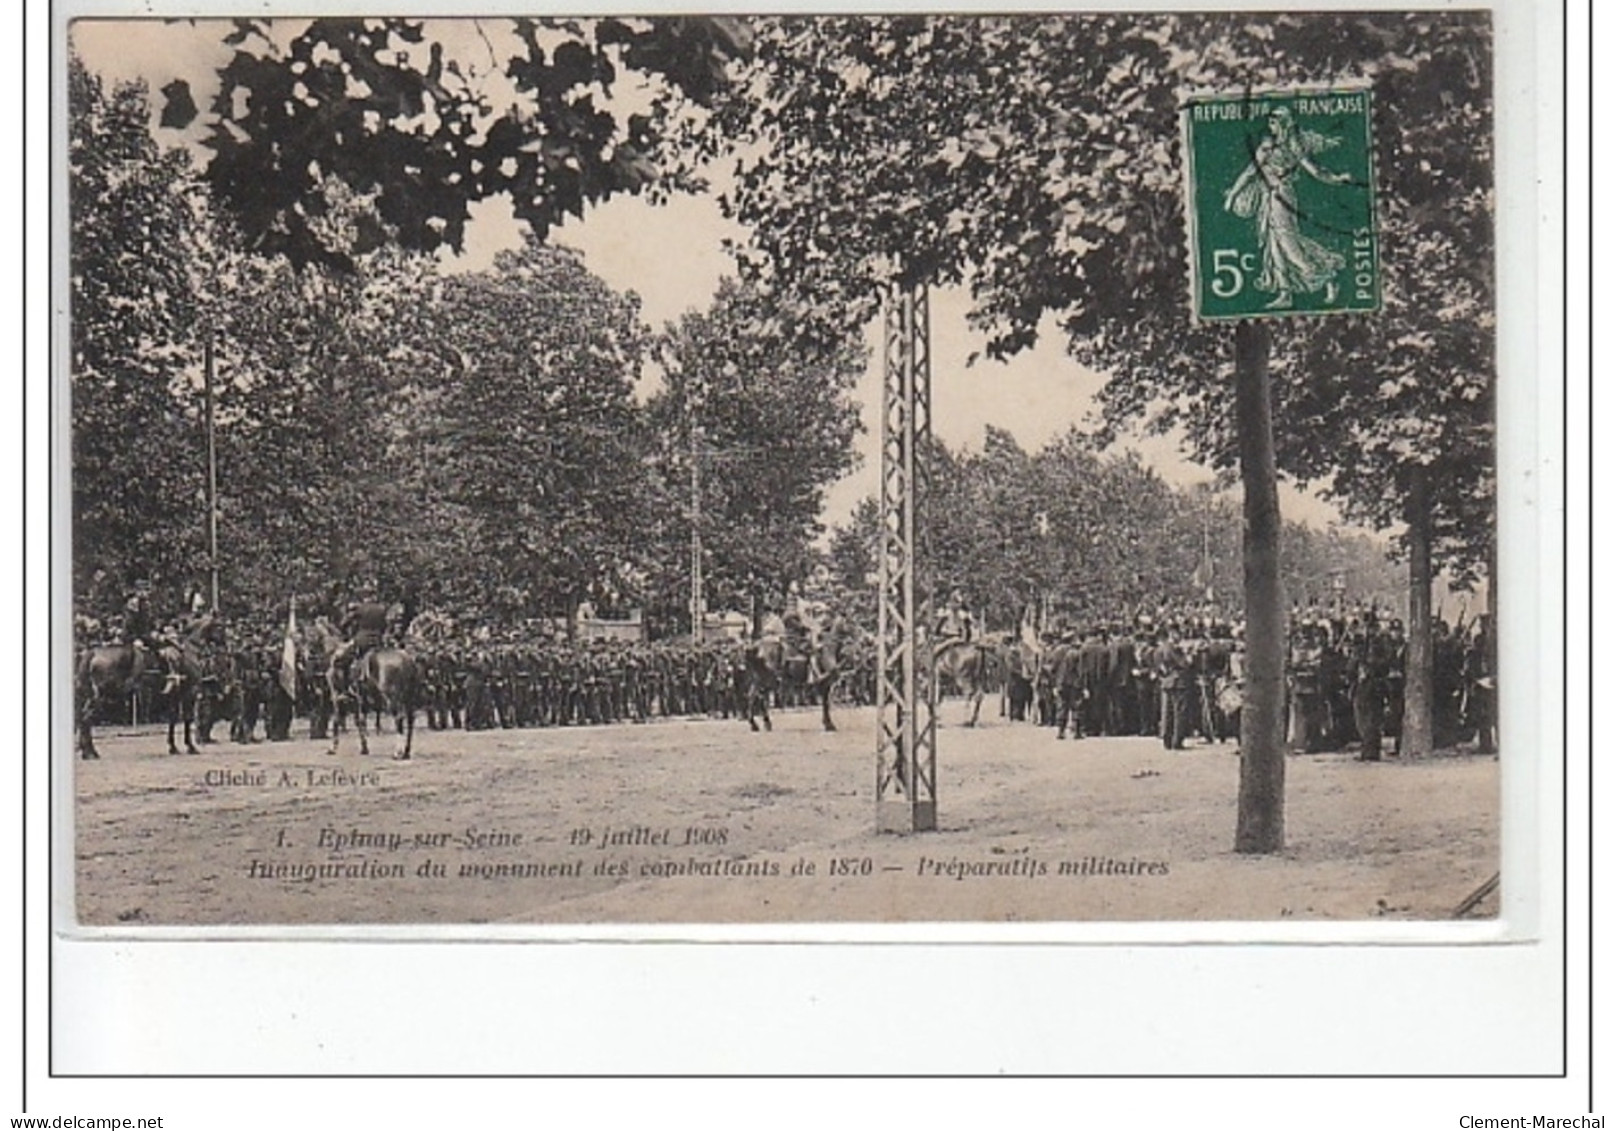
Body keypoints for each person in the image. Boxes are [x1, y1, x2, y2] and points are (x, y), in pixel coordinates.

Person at [1222, 105, 1352, 309]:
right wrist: (1233, 195)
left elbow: (1315, 171)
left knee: (1288, 244)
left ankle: (1326, 277)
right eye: (1270, 122)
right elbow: (1250, 172)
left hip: (1282, 197)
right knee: (1274, 248)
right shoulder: (1266, 148)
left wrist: (1337, 179)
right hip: (1269, 198)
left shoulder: (1293, 148)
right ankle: (1285, 295)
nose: (1271, 126)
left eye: (1274, 122)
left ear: (1283, 125)